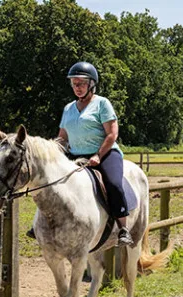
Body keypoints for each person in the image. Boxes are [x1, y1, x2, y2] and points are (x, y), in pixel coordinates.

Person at [39, 61, 132, 246]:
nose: (77, 88)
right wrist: (49, 151)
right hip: (75, 156)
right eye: (74, 84)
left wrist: (98, 155)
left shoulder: (102, 104)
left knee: (113, 184)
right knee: (50, 184)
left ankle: (123, 228)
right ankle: (41, 225)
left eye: (81, 83)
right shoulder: (68, 108)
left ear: (91, 84)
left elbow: (112, 134)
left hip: (104, 153)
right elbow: (63, 138)